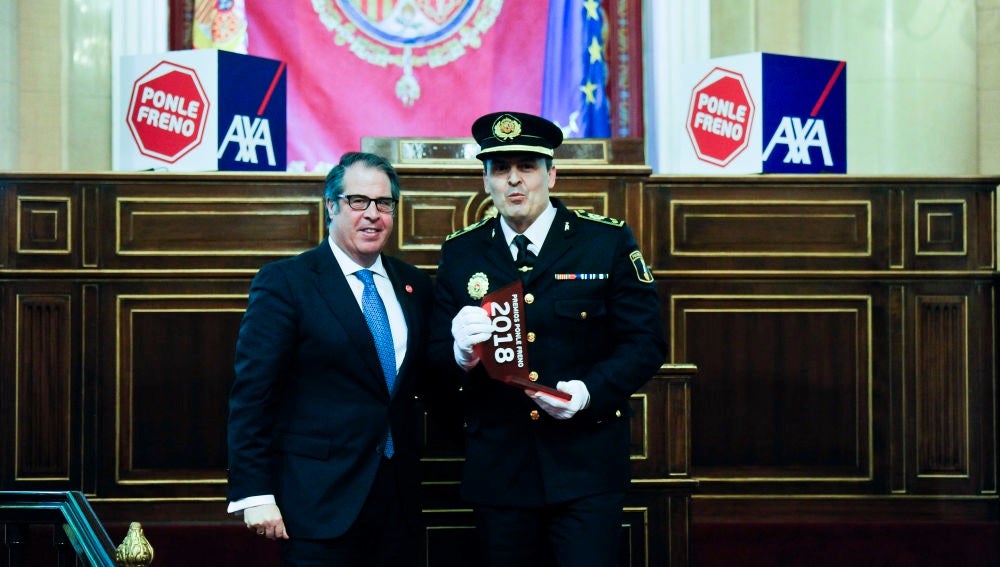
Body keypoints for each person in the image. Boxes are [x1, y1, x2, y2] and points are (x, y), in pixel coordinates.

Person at [429, 111, 667, 566]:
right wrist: (458, 353)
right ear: (486, 181)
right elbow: (433, 359)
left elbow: (646, 342)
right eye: (500, 169)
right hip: (500, 469)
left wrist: (587, 393)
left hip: (585, 464)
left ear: (551, 174)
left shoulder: (604, 241)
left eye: (527, 166)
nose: (514, 181)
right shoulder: (461, 252)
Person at [226, 152, 433, 566]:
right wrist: (254, 492)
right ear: (332, 205)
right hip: (318, 504)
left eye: (384, 203)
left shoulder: (414, 285)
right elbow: (252, 395)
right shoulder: (288, 282)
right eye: (358, 201)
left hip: (398, 503)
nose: (372, 214)